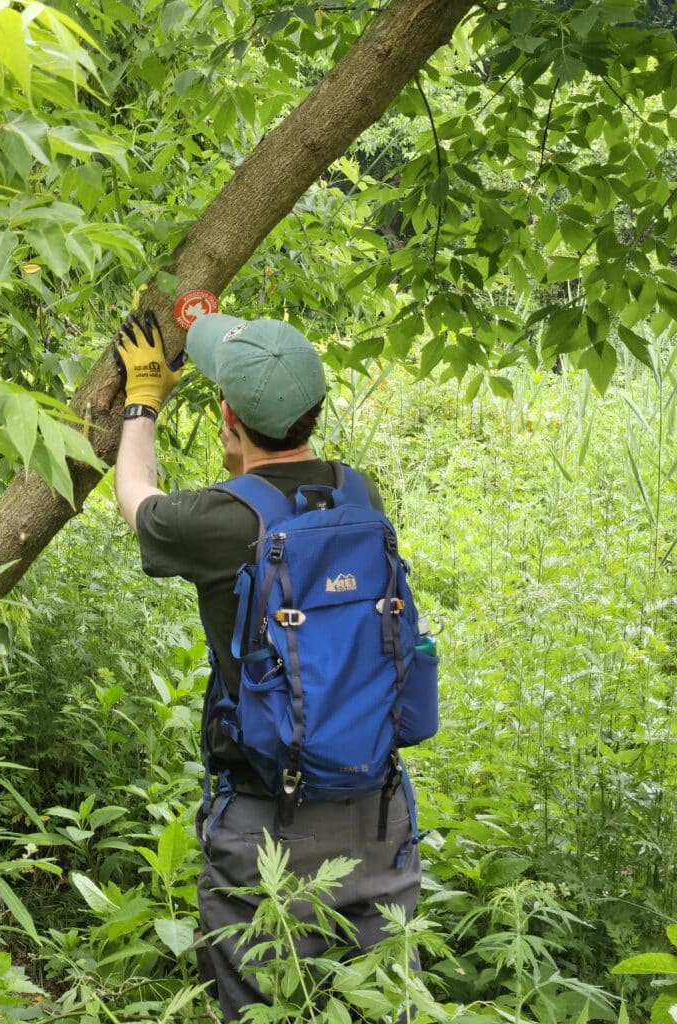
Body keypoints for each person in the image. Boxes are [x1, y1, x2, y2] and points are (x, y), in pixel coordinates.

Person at [113, 309, 422, 1021]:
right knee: (379, 1003)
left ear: (228, 416)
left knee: (259, 1007)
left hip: (264, 824)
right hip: (378, 807)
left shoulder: (218, 522)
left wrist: (143, 401)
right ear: (314, 412)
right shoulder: (359, 493)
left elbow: (135, 493)